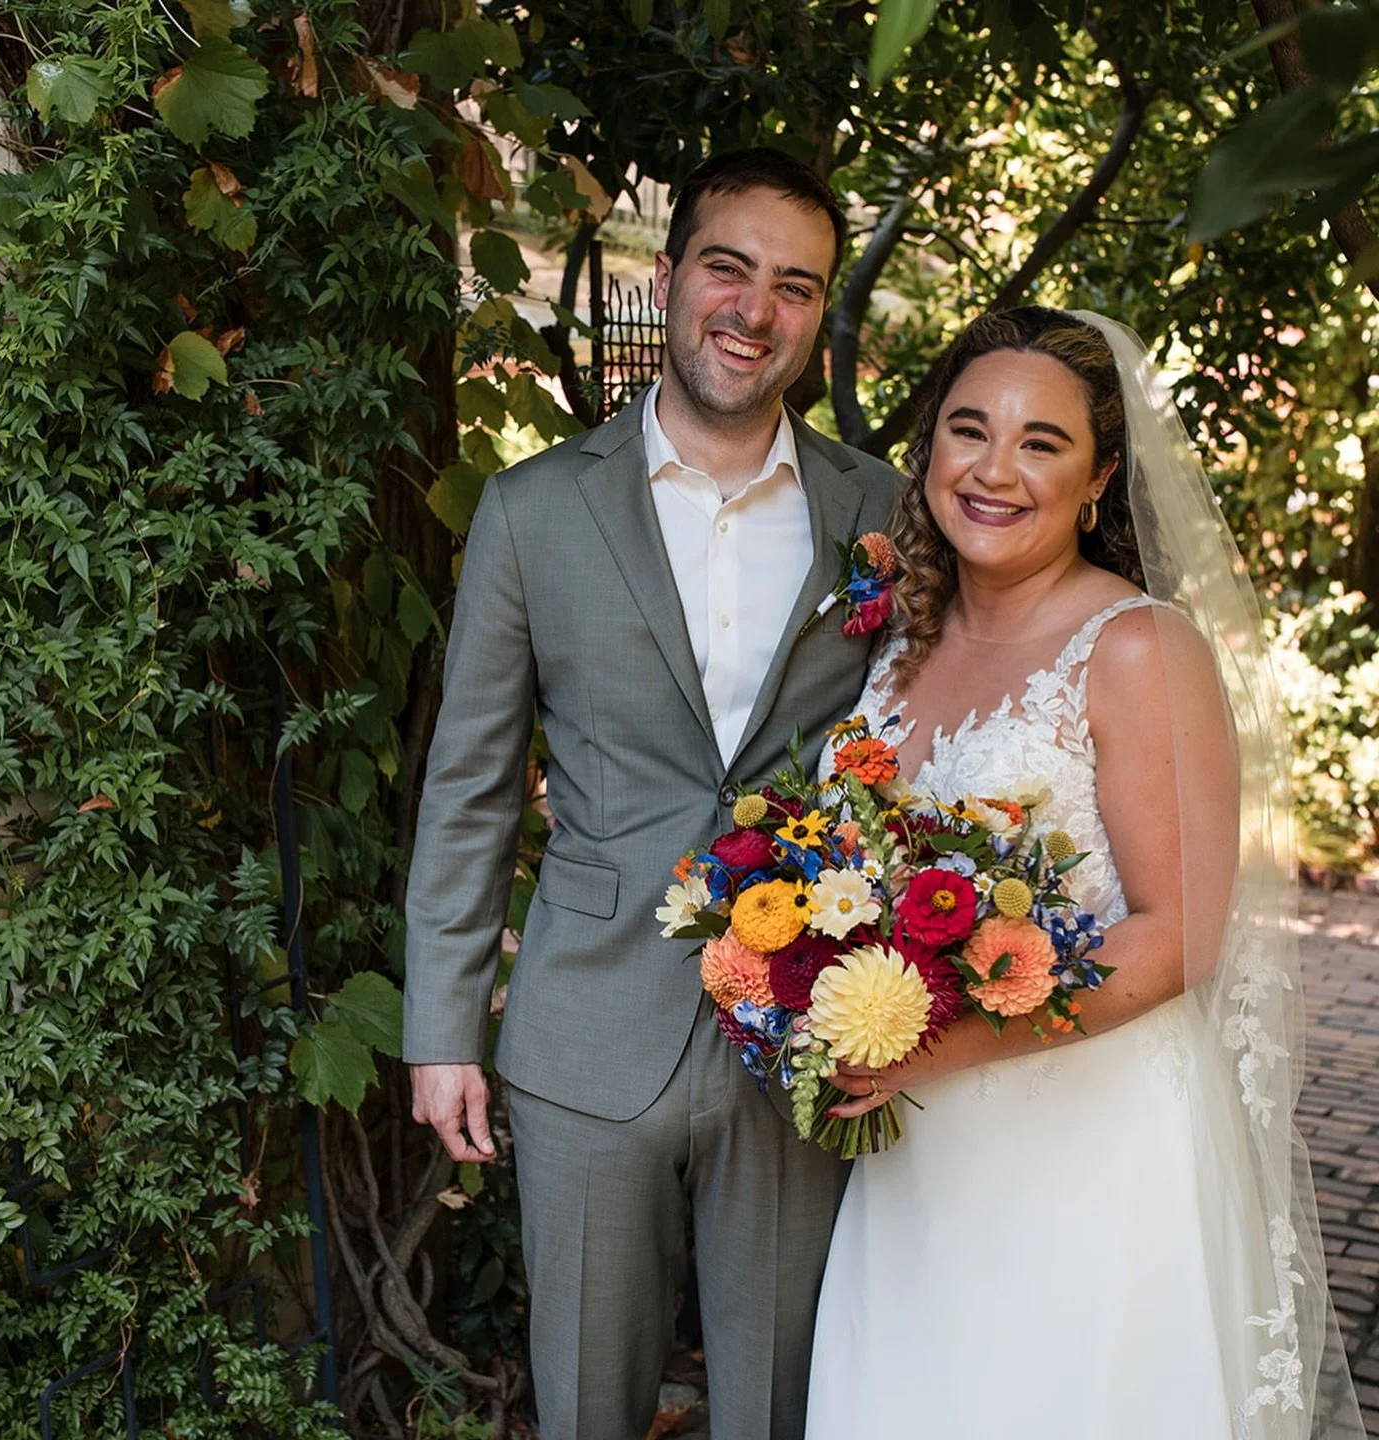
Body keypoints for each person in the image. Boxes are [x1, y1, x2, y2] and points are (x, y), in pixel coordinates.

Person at [402, 147, 898, 1440]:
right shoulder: (531, 512)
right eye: (729, 269)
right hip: (587, 1024)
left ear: (819, 313)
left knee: (783, 1402)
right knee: (586, 1401)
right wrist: (442, 1028)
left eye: (796, 286)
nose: (756, 311)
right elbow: (470, 783)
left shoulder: (883, 513)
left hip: (801, 1033)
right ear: (669, 275)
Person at [804, 307, 1364, 1438]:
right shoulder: (903, 639)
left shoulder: (1139, 648)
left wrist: (935, 1045)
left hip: (1088, 1156)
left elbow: (1178, 935)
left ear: (1100, 478)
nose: (994, 470)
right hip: (920, 1157)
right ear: (930, 447)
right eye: (970, 429)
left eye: (1042, 443)